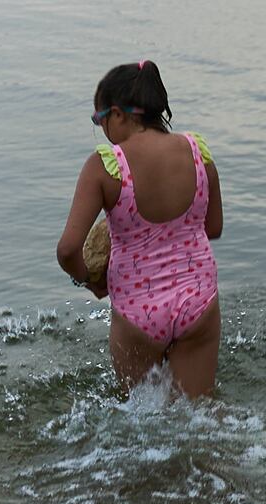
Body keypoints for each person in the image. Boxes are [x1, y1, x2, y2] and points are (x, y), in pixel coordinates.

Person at [57, 58, 221, 398]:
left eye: (98, 119)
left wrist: (89, 280)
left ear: (118, 114)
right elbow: (213, 227)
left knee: (138, 420)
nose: (101, 129)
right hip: (198, 302)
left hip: (138, 312)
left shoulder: (105, 166)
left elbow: (68, 249)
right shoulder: (197, 152)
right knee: (201, 413)